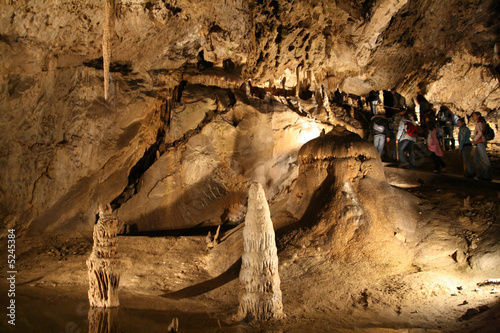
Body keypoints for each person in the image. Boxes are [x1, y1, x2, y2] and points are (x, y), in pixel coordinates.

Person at [471, 111, 492, 181]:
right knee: (475, 159)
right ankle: (483, 173)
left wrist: (474, 139)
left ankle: (487, 175)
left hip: (480, 142)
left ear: (478, 116)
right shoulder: (480, 123)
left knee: (484, 158)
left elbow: (480, 132)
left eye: (474, 116)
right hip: (479, 142)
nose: (473, 117)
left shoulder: (479, 123)